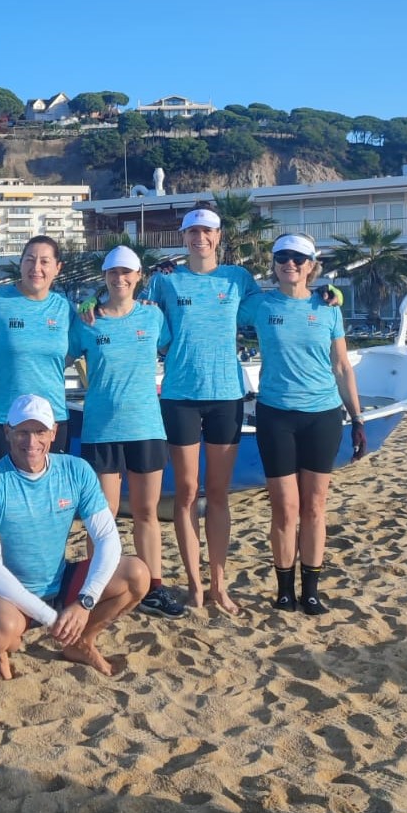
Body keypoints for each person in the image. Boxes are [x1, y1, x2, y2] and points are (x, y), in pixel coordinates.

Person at [0, 394, 149, 679]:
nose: (31, 441)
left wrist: (85, 602)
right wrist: (50, 618)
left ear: (53, 433)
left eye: (39, 431)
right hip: (5, 593)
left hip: (59, 583)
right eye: (22, 432)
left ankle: (82, 641)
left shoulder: (76, 470)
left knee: (137, 573)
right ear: (7, 432)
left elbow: (108, 539)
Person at [239, 233, 367, 614]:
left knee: (314, 506)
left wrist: (357, 417)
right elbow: (212, 306)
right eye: (282, 256)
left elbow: (342, 366)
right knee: (284, 508)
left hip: (323, 415)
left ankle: (311, 589)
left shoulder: (328, 307)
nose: (289, 263)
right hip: (276, 414)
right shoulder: (260, 306)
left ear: (312, 265)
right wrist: (156, 286)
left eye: (298, 258)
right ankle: (283, 590)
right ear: (274, 263)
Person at [143, 206, 262, 614]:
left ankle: (219, 585)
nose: (200, 238)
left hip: (226, 394)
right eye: (193, 231)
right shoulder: (167, 280)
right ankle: (195, 584)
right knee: (187, 493)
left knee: (218, 494)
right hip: (180, 395)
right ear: (184, 236)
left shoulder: (238, 279)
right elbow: (131, 308)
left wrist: (322, 292)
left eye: (207, 231)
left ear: (218, 235)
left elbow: (277, 302)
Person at [69, 246, 184, 619]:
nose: (119, 279)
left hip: (146, 426)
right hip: (101, 430)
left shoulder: (152, 318)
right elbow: (56, 356)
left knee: (146, 513)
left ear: (138, 278)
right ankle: (97, 585)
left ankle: (153, 587)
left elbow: (178, 342)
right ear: (104, 278)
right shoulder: (88, 321)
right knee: (102, 515)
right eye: (112, 273)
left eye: (126, 273)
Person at [0, 235, 78, 458]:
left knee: (51, 491)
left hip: (52, 419)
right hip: (3, 418)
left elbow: (77, 349)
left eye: (44, 261)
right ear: (20, 264)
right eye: (29, 260)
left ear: (57, 268)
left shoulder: (66, 309)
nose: (36, 268)